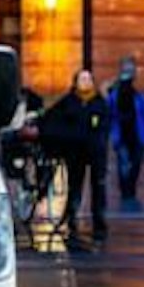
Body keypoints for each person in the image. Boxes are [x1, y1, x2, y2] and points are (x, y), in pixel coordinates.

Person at [39, 67, 111, 249]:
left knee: (98, 188)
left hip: (96, 153)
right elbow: (52, 118)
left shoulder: (99, 103)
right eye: (82, 79)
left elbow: (105, 125)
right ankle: (71, 220)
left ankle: (99, 224)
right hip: (75, 152)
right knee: (75, 187)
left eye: (88, 79)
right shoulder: (69, 102)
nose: (85, 83)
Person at [108, 56, 144, 207]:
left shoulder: (139, 97)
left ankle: (130, 190)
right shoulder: (114, 95)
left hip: (138, 137)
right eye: (126, 69)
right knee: (124, 165)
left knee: (136, 165)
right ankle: (126, 192)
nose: (128, 72)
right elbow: (109, 116)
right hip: (122, 136)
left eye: (130, 69)